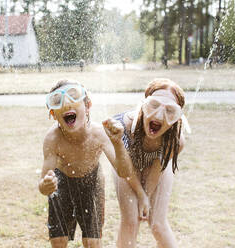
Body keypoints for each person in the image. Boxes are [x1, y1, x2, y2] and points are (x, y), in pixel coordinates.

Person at [38, 79, 149, 248]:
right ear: (53, 115)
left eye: (73, 99)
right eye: (59, 103)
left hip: (92, 181)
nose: (67, 105)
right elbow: (43, 187)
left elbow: (124, 172)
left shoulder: (98, 134)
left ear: (88, 106)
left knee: (92, 242)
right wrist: (47, 185)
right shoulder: (52, 139)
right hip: (62, 181)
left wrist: (118, 143)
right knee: (58, 241)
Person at [113, 78, 186, 248]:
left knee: (158, 225)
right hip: (127, 167)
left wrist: (147, 195)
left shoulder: (175, 141)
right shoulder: (124, 126)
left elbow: (157, 169)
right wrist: (140, 195)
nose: (159, 115)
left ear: (176, 117)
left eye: (169, 111)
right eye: (154, 105)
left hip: (156, 166)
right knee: (131, 220)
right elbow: (127, 171)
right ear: (144, 104)